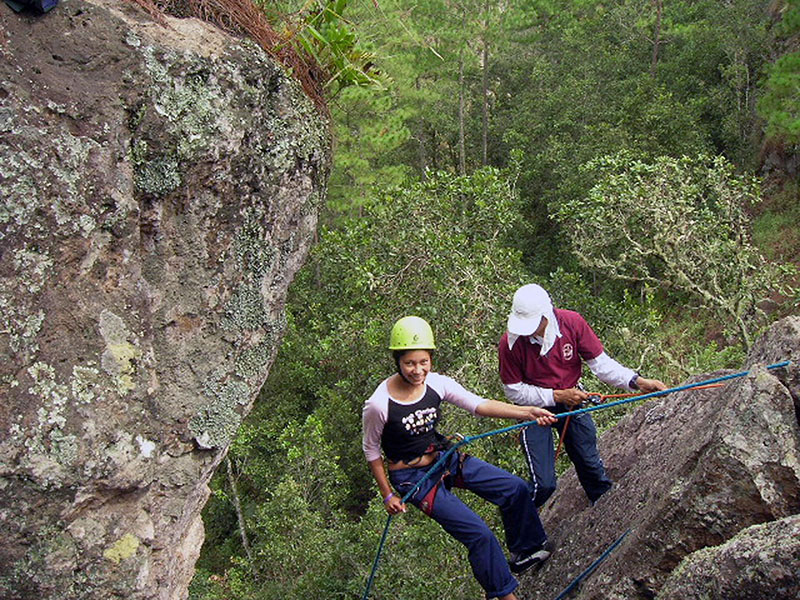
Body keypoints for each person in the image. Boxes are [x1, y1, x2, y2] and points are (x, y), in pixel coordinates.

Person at [363, 316, 558, 600]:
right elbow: (371, 450)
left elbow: (479, 405)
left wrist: (529, 411)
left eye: (423, 362)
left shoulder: (436, 384)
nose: (418, 370)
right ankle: (504, 595)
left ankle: (526, 551)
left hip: (444, 458)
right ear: (397, 361)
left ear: (430, 358)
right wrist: (387, 495)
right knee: (479, 534)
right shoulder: (379, 404)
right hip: (413, 479)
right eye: (409, 363)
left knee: (514, 488)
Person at [498, 284, 667, 507]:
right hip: (532, 409)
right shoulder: (510, 344)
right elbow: (513, 390)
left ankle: (606, 511)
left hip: (572, 401)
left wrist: (637, 381)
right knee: (544, 484)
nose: (528, 330)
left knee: (590, 465)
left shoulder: (572, 323)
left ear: (546, 315)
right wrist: (556, 396)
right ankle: (520, 519)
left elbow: (601, 364)